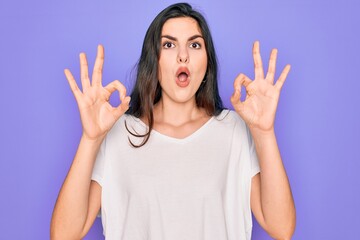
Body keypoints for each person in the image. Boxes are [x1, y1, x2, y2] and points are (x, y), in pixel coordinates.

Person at [51, 2, 295, 240]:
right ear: (153, 61)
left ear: (206, 62)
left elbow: (281, 228)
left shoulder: (234, 131)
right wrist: (90, 139)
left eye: (195, 45)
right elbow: (63, 235)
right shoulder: (118, 134)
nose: (183, 56)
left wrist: (264, 132)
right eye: (168, 44)